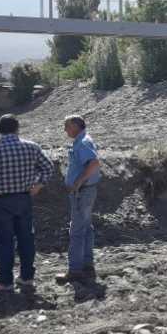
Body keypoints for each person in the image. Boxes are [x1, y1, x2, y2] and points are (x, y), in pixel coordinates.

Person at [0, 114, 54, 292]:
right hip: (24, 198)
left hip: (1, 201)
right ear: (17, 128)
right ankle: (27, 277)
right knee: (26, 239)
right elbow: (48, 167)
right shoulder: (32, 147)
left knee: (5, 242)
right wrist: (39, 185)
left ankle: (5, 281)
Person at [56, 114, 102, 284]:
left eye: (67, 126)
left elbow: (94, 163)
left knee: (76, 231)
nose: (65, 130)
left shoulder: (82, 142)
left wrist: (77, 183)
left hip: (82, 192)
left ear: (76, 125)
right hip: (87, 191)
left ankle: (75, 270)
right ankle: (87, 265)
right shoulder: (83, 140)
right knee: (86, 228)